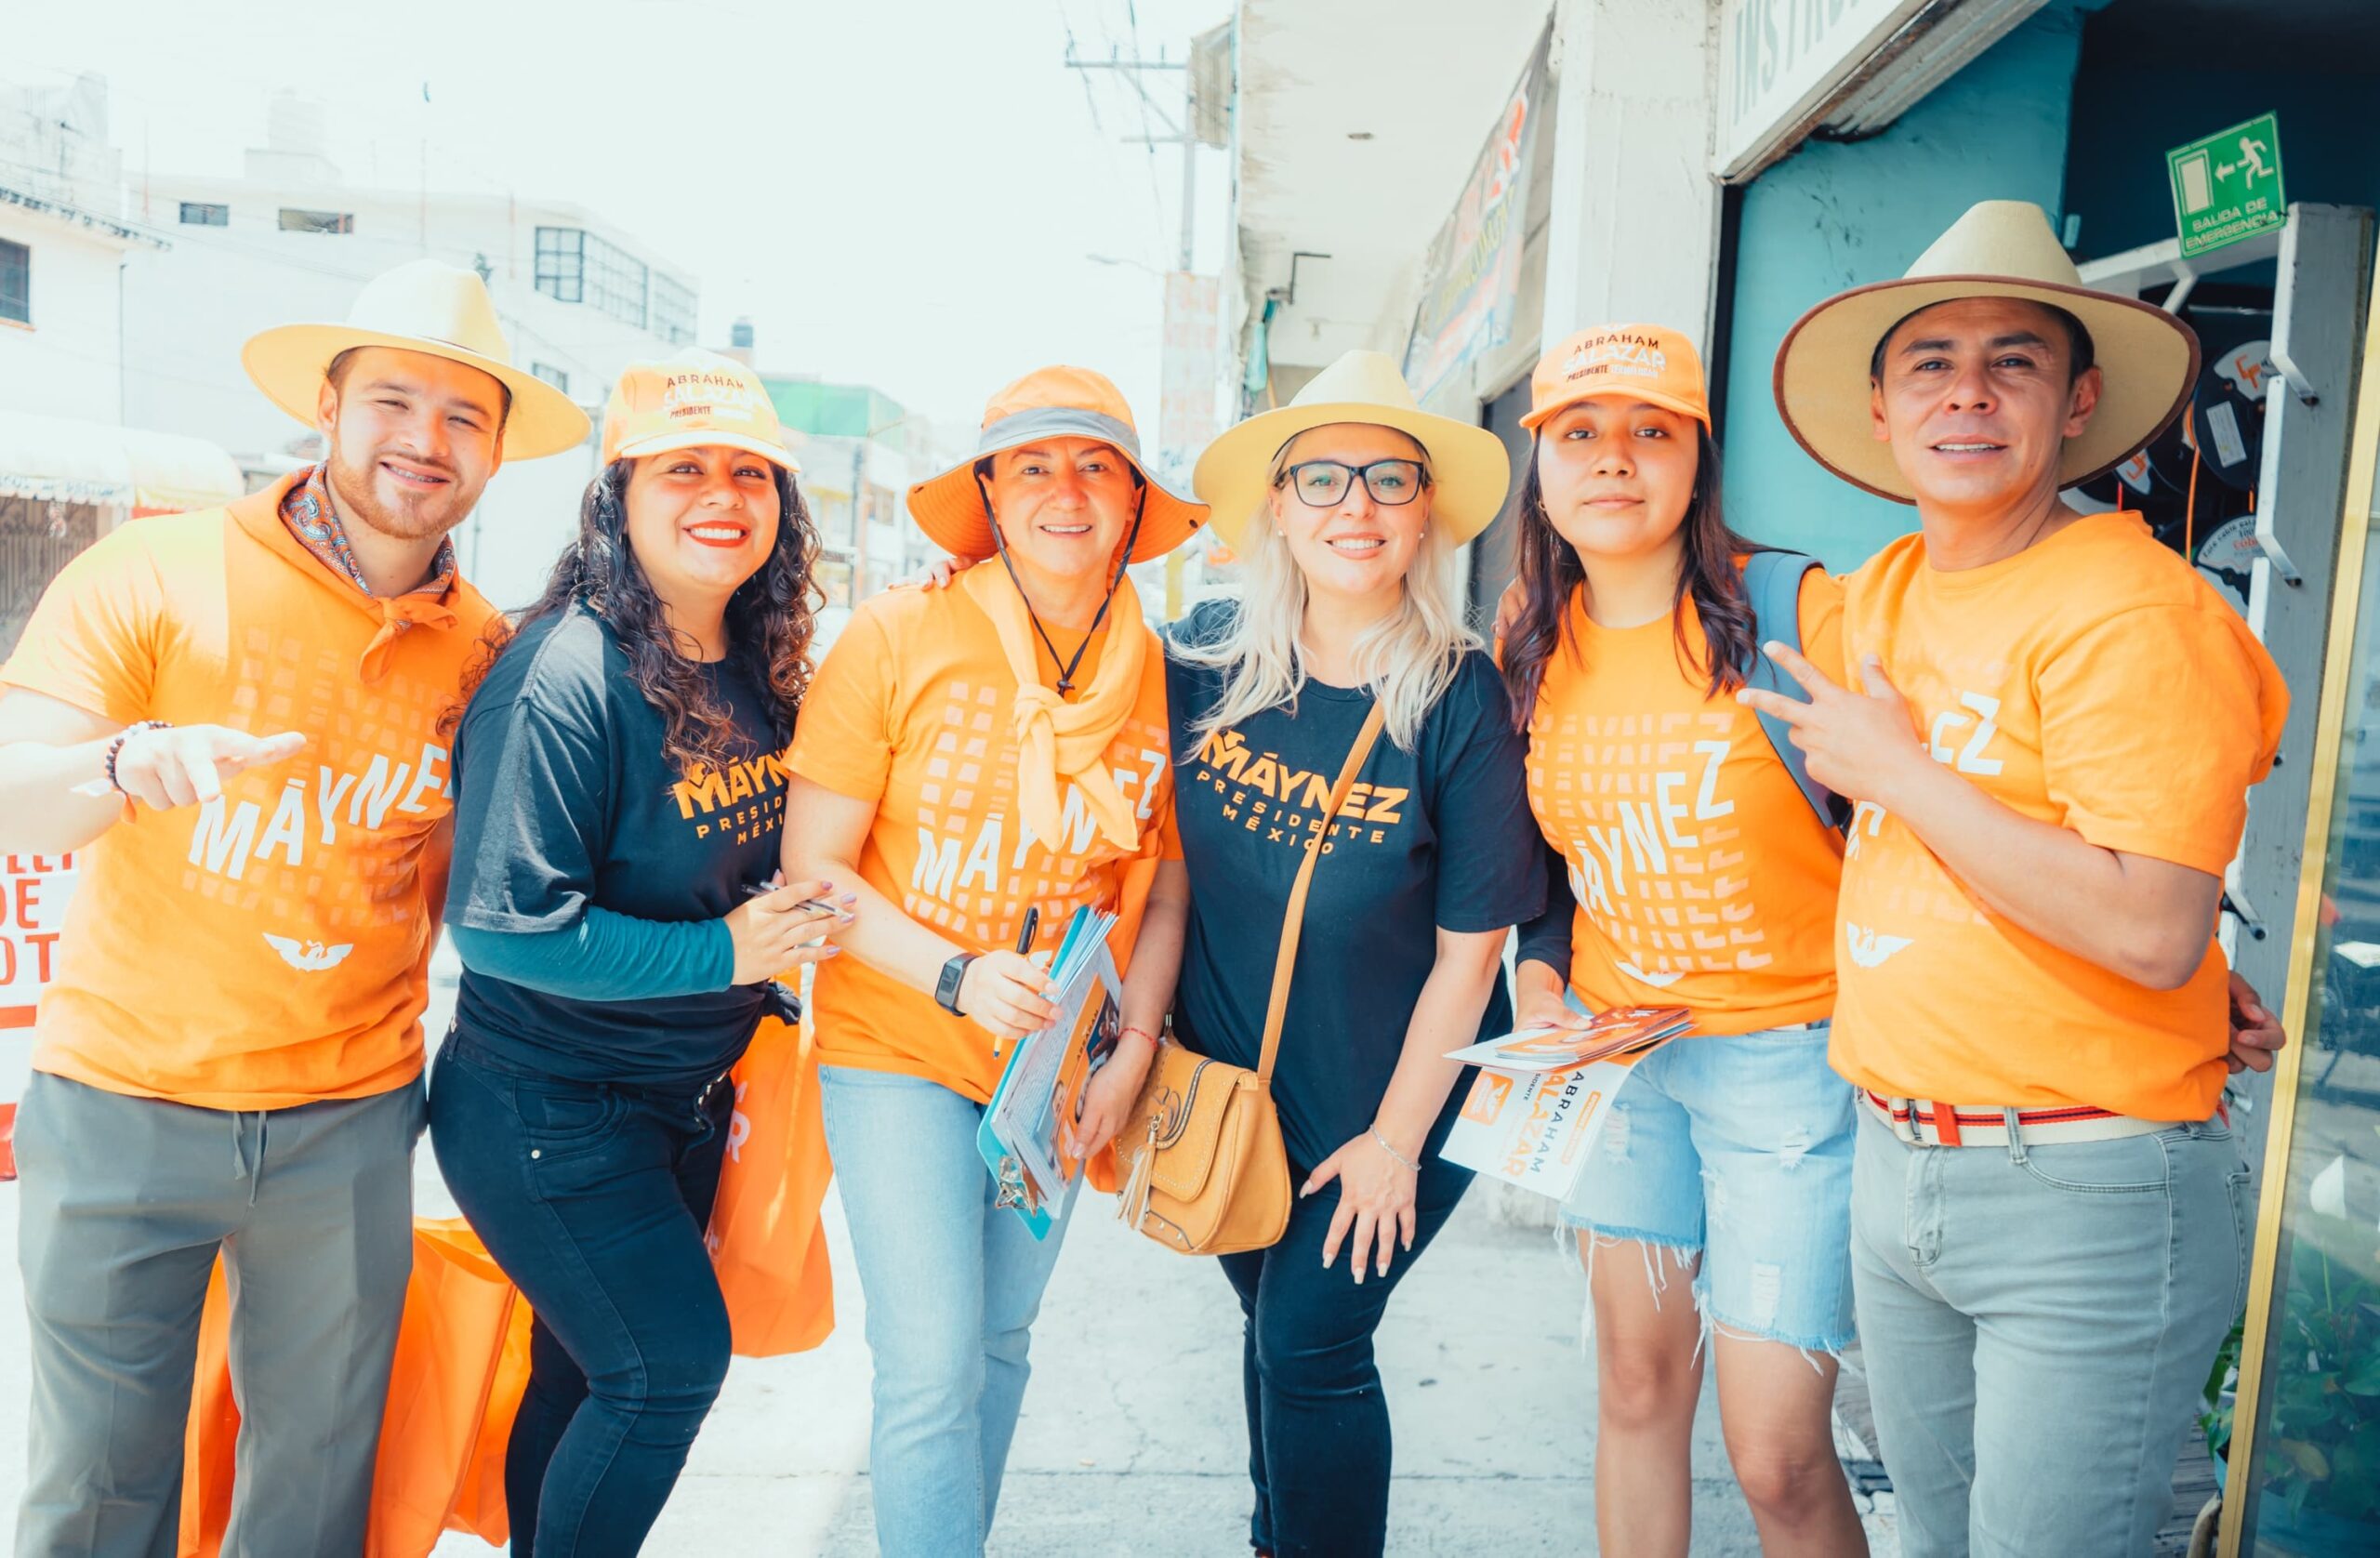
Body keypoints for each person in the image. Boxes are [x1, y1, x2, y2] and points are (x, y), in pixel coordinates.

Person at [0, 259, 588, 1555]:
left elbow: (495, 902)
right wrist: (121, 763)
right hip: (122, 1107)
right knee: (96, 1494)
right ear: (327, 407)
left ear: (494, 452)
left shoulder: (491, 655)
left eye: (461, 417)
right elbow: (14, 796)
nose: (423, 442)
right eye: (392, 401)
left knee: (319, 1498)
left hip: (347, 1127)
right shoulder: (152, 574)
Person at [1747, 199, 2290, 1557]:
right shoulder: (1880, 593)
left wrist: (1906, 775)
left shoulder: (2135, 610)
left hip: (2084, 1190)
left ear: (2078, 400)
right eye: (1929, 360)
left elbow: (2153, 930)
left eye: (2014, 361)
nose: (1968, 393)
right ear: (1881, 407)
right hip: (1900, 1160)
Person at [778, 366, 1202, 1557]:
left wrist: (1134, 1053)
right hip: (899, 1042)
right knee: (928, 1364)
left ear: (1132, 503)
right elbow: (815, 869)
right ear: (990, 496)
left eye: (1095, 467)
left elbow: (1163, 886)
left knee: (1002, 1343)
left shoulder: (1169, 677)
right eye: (1032, 466)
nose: (1064, 490)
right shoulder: (898, 632)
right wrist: (959, 974)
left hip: (1060, 1069)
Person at [427, 350, 836, 1556]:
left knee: (583, 1378)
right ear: (618, 495)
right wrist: (722, 956)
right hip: (547, 1110)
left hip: (676, 1105)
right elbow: (505, 927)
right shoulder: (561, 677)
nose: (723, 493)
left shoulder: (749, 666)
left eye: (750, 471)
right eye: (686, 469)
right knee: (664, 1367)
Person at [1167, 350, 1546, 1558]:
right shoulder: (1205, 661)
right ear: (1277, 505)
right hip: (1229, 1099)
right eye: (1322, 478)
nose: (1356, 506)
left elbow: (1471, 952)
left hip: (1396, 1109)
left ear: (1425, 510)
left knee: (1310, 1345)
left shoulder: (1457, 695)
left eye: (1389, 479)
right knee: (1271, 1329)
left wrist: (1392, 1148)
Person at [1500, 325, 1867, 1557]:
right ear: (1539, 468)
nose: (1615, 460)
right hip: (1623, 1060)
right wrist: (1541, 983)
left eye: (1651, 431)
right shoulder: (1529, 647)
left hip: (1790, 1067)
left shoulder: (1787, 612)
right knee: (1638, 1389)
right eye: (1581, 435)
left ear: (1697, 461)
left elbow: (1911, 821)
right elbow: (1546, 871)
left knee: (1775, 1454)